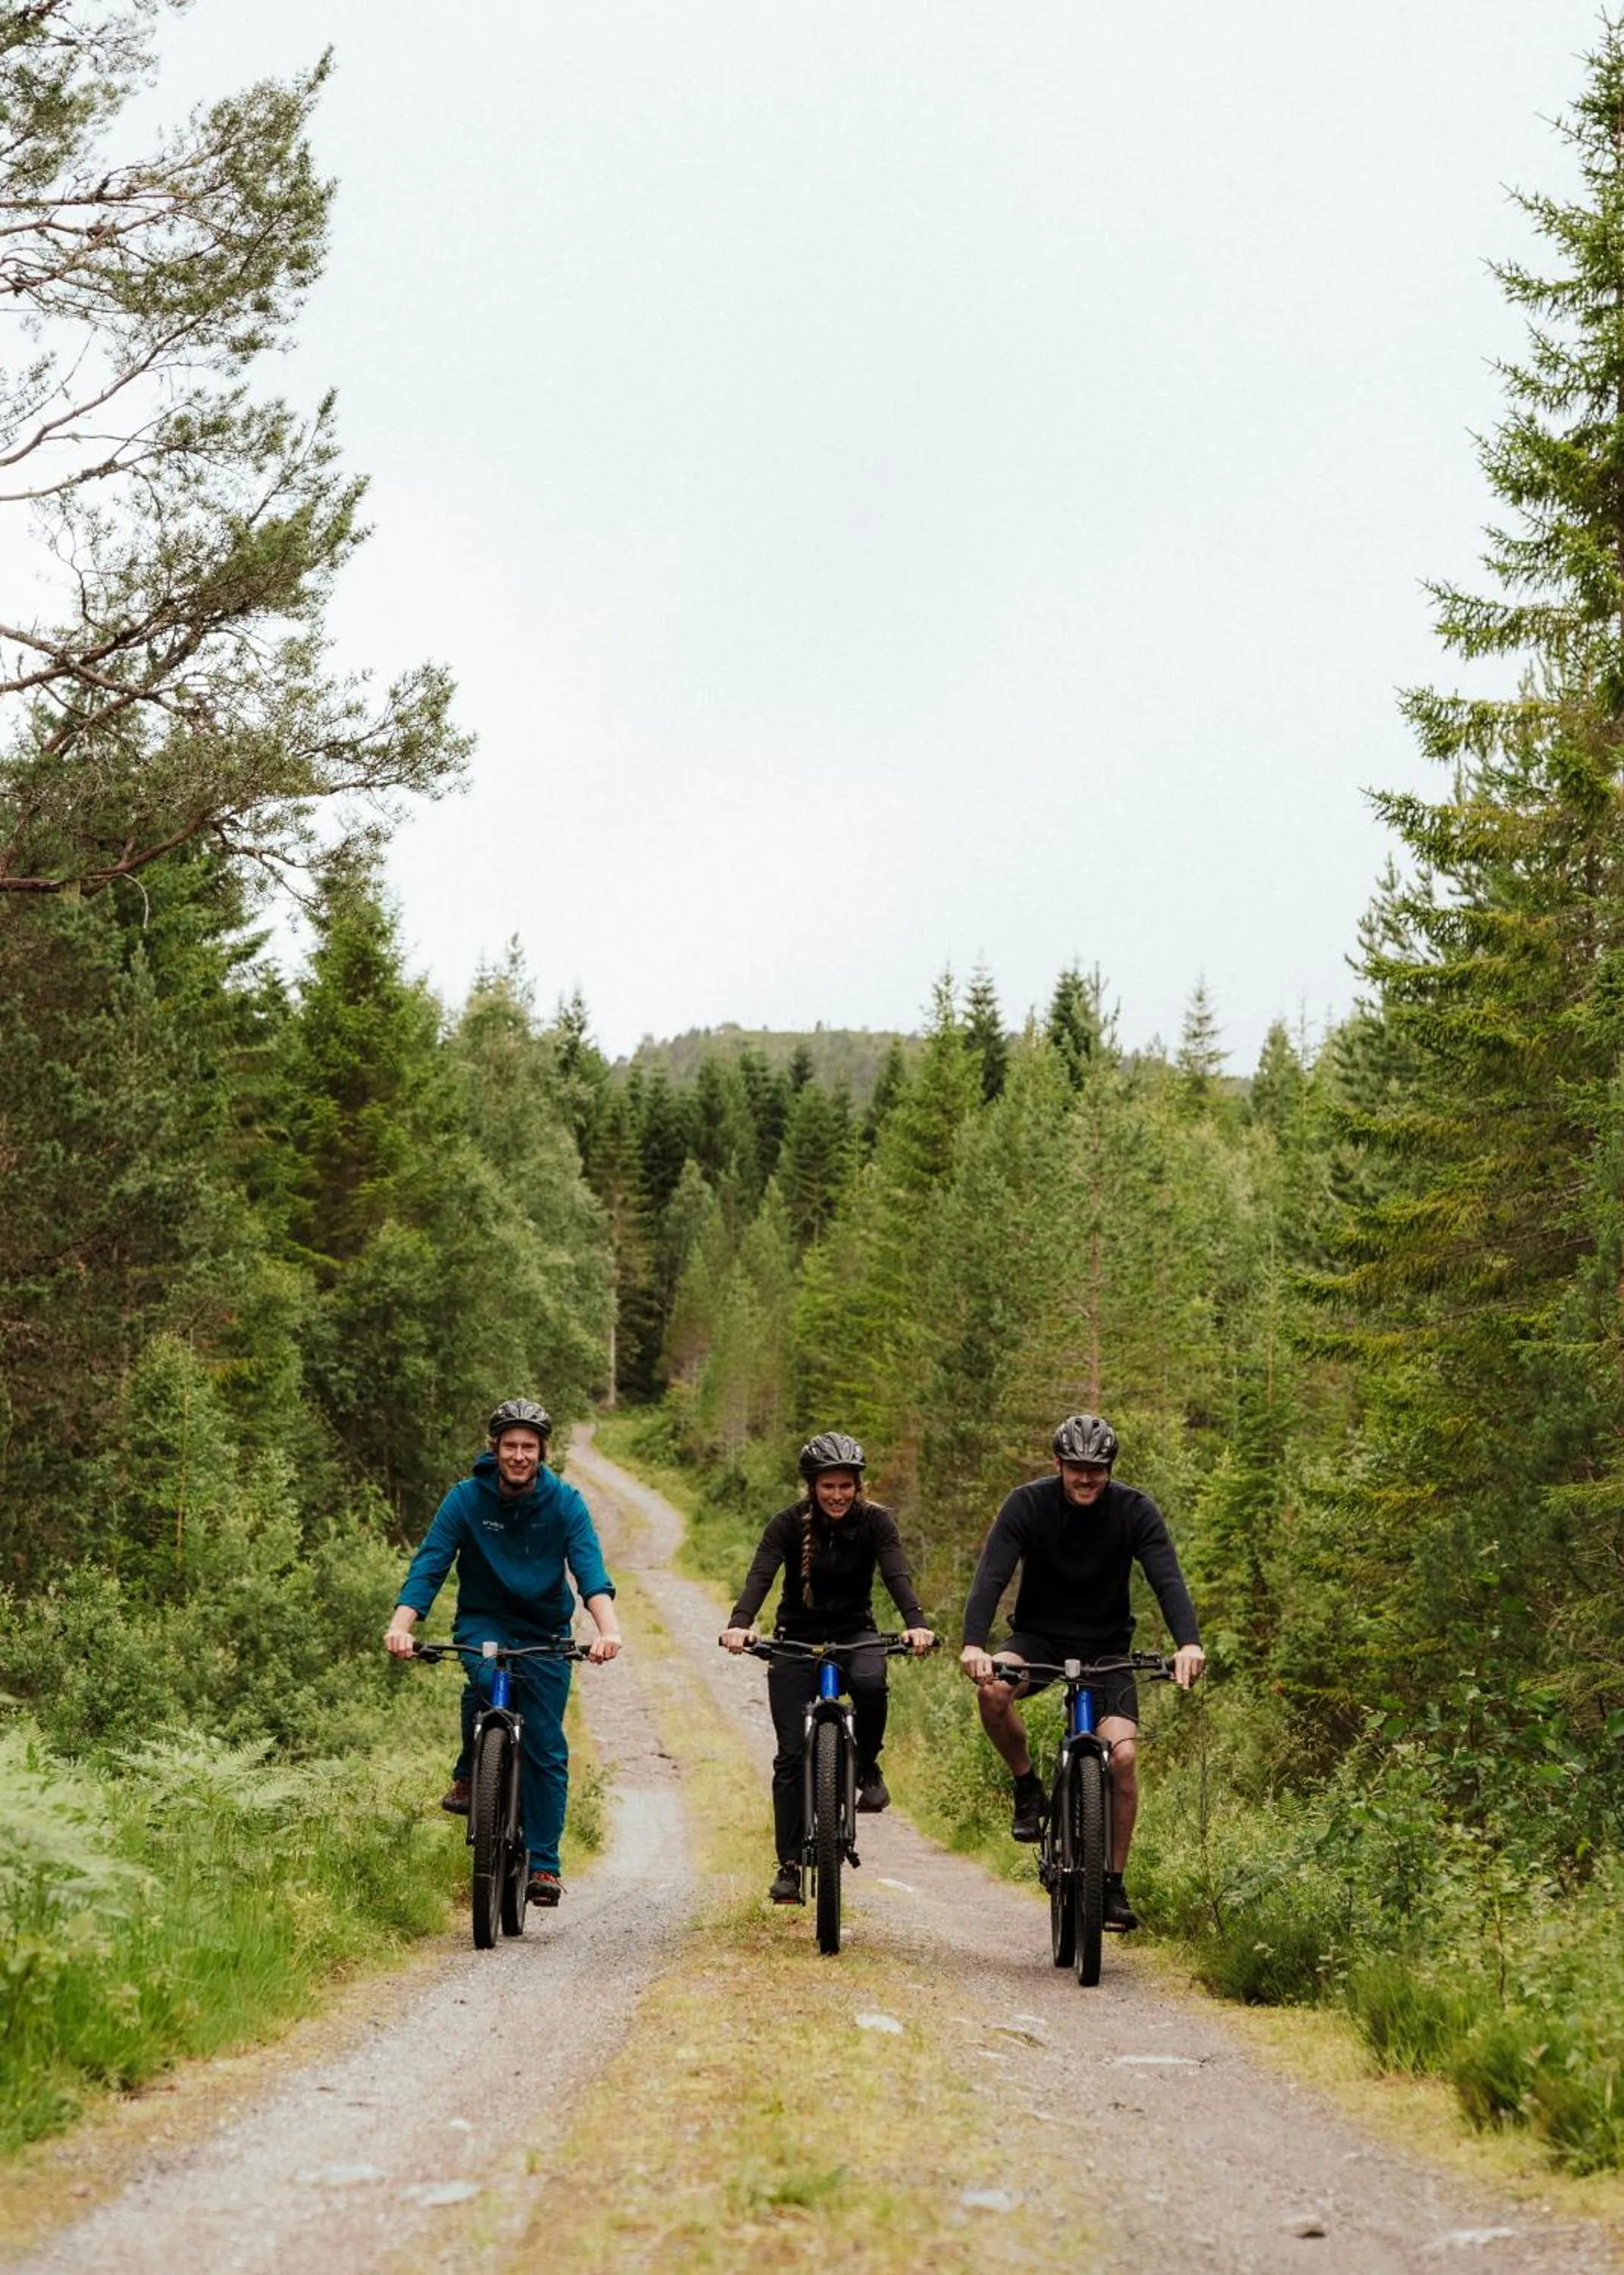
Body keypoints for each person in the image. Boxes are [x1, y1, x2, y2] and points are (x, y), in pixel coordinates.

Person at [958, 1411, 1204, 1931]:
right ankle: (1028, 1787)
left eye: (1097, 1468)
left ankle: (1112, 1884)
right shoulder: (1026, 1505)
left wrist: (1189, 1643)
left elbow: (1167, 1578)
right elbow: (992, 1574)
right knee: (992, 1693)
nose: (1087, 1478)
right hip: (1038, 1641)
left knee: (1124, 1758)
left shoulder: (1136, 1511)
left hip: (1107, 1652)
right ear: (1059, 1464)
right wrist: (974, 1644)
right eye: (1076, 1468)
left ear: (1110, 1468)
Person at [384, 1396, 622, 1907]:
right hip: (485, 1622)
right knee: (484, 1674)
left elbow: (590, 1571)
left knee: (546, 1746)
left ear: (543, 1452)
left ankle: (545, 1866)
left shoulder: (565, 1504)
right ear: (494, 1448)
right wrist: (401, 1625)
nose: (518, 1455)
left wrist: (609, 1629)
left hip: (545, 1631)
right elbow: (430, 1565)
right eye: (510, 1445)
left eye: (528, 1447)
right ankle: (471, 1772)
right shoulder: (466, 1500)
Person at [721, 1431, 935, 1906]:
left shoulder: (877, 1523)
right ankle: (790, 1866)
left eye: (845, 1486)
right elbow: (761, 1574)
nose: (837, 1496)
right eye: (827, 1487)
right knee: (791, 1755)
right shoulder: (786, 1525)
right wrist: (740, 1624)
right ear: (812, 1487)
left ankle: (869, 1768)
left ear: (858, 1486)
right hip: (796, 1634)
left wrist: (916, 1625)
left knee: (871, 1683)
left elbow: (897, 1575)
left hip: (855, 1630)